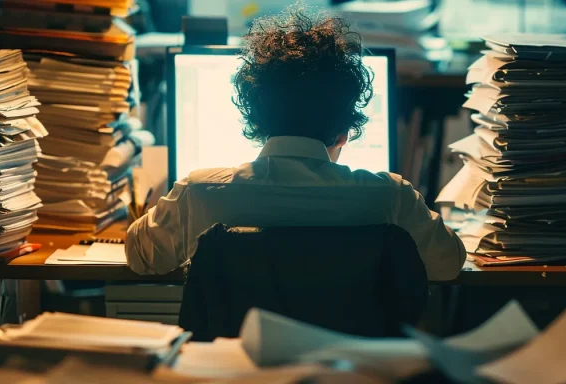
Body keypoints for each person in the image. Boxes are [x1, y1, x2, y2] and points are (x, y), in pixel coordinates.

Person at [125, 8, 466, 280]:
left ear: (255, 119)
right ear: (344, 131)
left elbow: (139, 254)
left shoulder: (198, 195)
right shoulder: (392, 199)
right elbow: (449, 264)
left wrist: (159, 208)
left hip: (238, 364)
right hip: (347, 366)